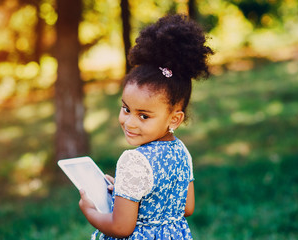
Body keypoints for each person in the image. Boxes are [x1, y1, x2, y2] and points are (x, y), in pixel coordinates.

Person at [79, 14, 213, 239]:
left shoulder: (133, 161)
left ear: (174, 119)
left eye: (144, 116)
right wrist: (124, 189)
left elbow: (121, 228)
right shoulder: (182, 152)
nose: (129, 121)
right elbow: (187, 207)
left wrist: (90, 211)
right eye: (126, 109)